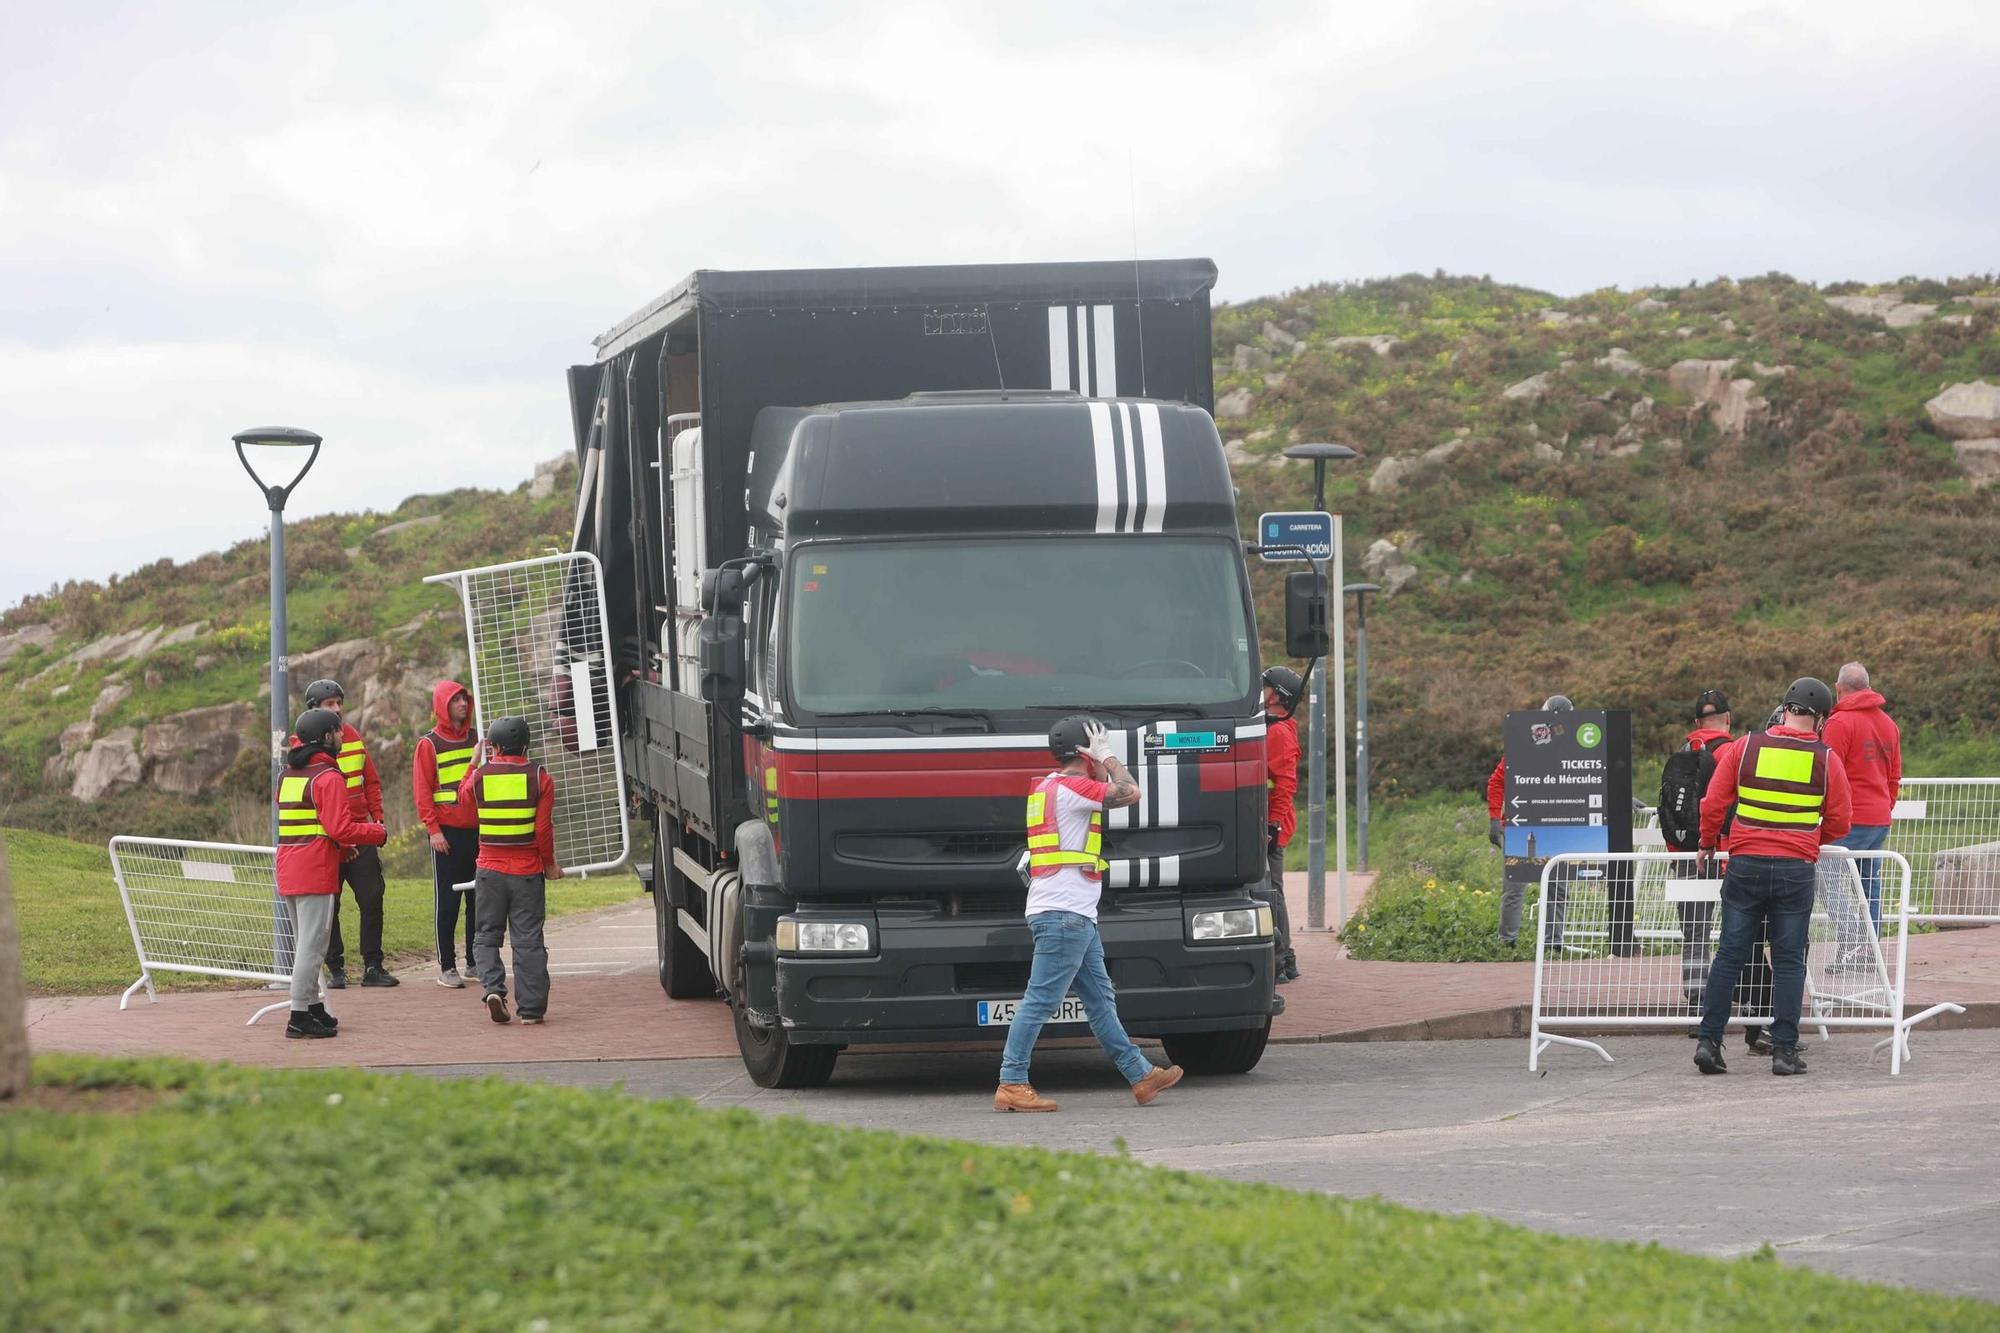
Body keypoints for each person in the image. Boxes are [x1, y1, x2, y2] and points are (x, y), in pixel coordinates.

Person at [995, 716, 1184, 1112]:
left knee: (1099, 1001)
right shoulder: (1075, 786)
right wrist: (1110, 757)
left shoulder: (1048, 786)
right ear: (1085, 753)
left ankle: (1140, 1075)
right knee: (1041, 1000)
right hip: (1065, 914)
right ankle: (1012, 1081)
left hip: (1070, 913)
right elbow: (1131, 792)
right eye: (1094, 750)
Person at [1692, 678, 1852, 1077]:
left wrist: (1708, 842)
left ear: (1785, 709)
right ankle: (1784, 1051)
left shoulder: (1746, 746)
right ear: (1819, 719)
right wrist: (1807, 839)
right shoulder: (1826, 759)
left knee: (1730, 954)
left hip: (1745, 865)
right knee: (1789, 961)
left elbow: (1714, 801)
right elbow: (1840, 820)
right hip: (1795, 871)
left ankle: (1709, 1043)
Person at [275, 708, 387, 1039]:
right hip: (315, 870)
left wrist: (340, 848)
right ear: (327, 737)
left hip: (289, 865)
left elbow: (310, 823)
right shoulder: (328, 777)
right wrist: (375, 833)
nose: (343, 736)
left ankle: (311, 1006)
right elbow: (339, 827)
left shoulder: (288, 774)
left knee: (304, 943)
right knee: (313, 945)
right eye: (338, 732)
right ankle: (298, 1014)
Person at [460, 715, 561, 1025]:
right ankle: (530, 1010)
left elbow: (463, 808)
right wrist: (550, 865)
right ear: (526, 747)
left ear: (494, 746)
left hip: (489, 870)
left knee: (486, 936)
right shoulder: (541, 778)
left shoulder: (480, 777)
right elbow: (542, 829)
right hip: (527, 872)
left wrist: (472, 764)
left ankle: (493, 989)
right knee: (528, 939)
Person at [300, 678, 396, 989]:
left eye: (340, 703)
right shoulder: (300, 749)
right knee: (330, 904)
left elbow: (371, 781)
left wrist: (377, 819)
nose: (338, 710)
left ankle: (373, 966)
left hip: (361, 833)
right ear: (314, 709)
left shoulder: (352, 737)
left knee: (372, 896)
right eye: (331, 705)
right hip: (327, 839)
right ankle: (336, 968)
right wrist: (339, 839)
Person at [1659, 690, 1735, 1006]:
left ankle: (1696, 998)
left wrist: (1677, 853)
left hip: (1685, 855)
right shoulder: (1731, 752)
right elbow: (1732, 807)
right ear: (1728, 720)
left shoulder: (1683, 752)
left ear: (1696, 722)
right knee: (1736, 930)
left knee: (1694, 931)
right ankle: (1740, 996)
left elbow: (1668, 807)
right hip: (1721, 854)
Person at [1822, 662, 1902, 931]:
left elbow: (1829, 775)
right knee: (1870, 882)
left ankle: (1850, 943)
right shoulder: (1889, 724)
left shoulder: (1839, 723)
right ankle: (1871, 946)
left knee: (1827, 875)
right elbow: (1894, 776)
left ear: (1838, 688)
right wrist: (1885, 806)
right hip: (1879, 817)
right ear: (1867, 687)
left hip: (1851, 819)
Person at [412, 680, 480, 989]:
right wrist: (433, 830)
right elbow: (423, 792)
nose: (463, 705)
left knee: (478, 899)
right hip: (447, 834)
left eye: (464, 699)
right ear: (443, 705)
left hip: (478, 831)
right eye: (455, 700)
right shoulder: (429, 744)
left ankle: (475, 960)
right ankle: (447, 965)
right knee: (449, 902)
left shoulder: (477, 739)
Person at [1492, 694, 1574, 949]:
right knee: (1516, 885)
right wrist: (1495, 817)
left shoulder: (1574, 749)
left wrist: (1622, 796)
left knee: (1557, 887)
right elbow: (1497, 781)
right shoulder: (1523, 746)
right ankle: (1507, 942)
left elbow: (1592, 777)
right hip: (1522, 824)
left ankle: (1553, 943)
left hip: (1556, 825)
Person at [1259, 665, 1303, 983]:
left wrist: (1273, 825)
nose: (1260, 691)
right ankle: (1283, 958)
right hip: (1267, 821)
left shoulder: (1278, 731)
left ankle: (1282, 959)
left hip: (1272, 825)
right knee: (1271, 890)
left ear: (1276, 694)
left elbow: (1285, 782)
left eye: (1265, 686)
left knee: (1272, 892)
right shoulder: (1272, 725)